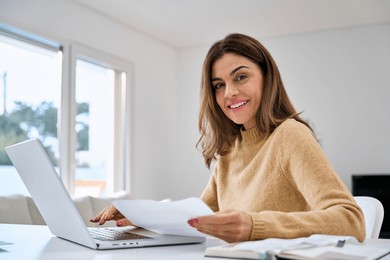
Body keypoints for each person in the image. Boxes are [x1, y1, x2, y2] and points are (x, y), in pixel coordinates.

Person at [91, 33, 365, 243]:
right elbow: (196, 219)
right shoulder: (229, 151)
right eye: (218, 85)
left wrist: (255, 225)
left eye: (241, 77)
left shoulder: (290, 135)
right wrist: (140, 217)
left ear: (267, 78)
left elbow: (351, 220)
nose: (229, 93)